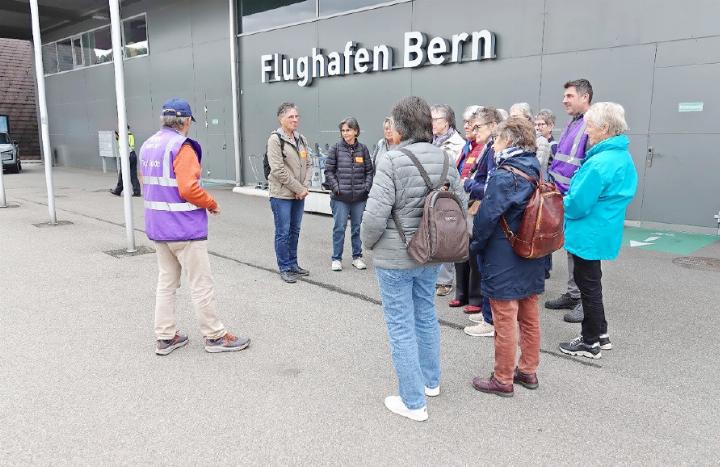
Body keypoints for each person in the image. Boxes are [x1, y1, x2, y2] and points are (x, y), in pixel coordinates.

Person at [361, 96, 466, 422]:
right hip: (432, 254)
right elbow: (460, 206)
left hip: (396, 257)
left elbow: (375, 214)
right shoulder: (447, 160)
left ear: (401, 127)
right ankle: (430, 381)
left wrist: (367, 244)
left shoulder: (392, 160)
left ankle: (412, 401)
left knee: (400, 325)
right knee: (425, 316)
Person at [140, 98, 250, 355]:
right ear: (186, 121)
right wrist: (210, 203)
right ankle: (214, 336)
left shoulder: (148, 145)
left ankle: (165, 337)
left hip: (158, 226)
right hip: (184, 228)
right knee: (201, 283)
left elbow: (145, 182)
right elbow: (189, 188)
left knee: (167, 282)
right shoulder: (182, 146)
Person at [470, 117, 545, 397]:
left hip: (504, 252)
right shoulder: (535, 167)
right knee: (528, 313)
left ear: (509, 141)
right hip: (531, 249)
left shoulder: (504, 174)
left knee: (504, 315)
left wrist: (475, 245)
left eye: (497, 139)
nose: (494, 144)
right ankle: (528, 370)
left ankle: (502, 378)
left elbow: (487, 217)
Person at [559, 102, 638, 359]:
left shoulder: (599, 162)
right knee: (592, 282)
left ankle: (590, 341)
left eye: (590, 126)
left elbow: (578, 203)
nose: (586, 131)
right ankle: (600, 333)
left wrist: (561, 203)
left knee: (588, 285)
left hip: (588, 230)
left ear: (605, 128)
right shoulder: (621, 156)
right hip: (604, 228)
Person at [545, 79, 593, 323]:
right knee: (572, 249)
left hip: (577, 200)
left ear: (585, 97)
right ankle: (574, 294)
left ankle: (586, 301)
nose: (564, 100)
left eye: (570, 96)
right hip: (564, 197)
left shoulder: (591, 125)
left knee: (582, 253)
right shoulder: (573, 123)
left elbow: (588, 168)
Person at [460, 107, 502, 337]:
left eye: (478, 127)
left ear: (493, 125)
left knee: (488, 267)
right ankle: (487, 313)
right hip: (480, 212)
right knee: (483, 264)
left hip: (487, 215)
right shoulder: (487, 147)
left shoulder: (496, 150)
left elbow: (491, 188)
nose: (474, 131)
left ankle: (490, 319)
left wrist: (468, 185)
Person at [267, 102, 312, 284]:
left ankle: (293, 264)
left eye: (296, 116)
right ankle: (284, 267)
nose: (295, 120)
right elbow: (278, 170)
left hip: (298, 195)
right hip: (282, 196)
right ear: (281, 119)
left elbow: (309, 164)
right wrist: (299, 189)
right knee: (283, 232)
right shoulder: (275, 140)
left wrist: (305, 187)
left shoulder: (301, 139)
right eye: (290, 117)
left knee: (295, 231)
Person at [324, 117, 374, 271]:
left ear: (356, 131)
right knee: (339, 228)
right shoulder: (335, 149)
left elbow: (369, 171)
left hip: (359, 197)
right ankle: (336, 258)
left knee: (357, 228)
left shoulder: (363, 149)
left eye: (348, 130)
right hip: (340, 197)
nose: (345, 133)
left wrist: (366, 187)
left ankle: (357, 257)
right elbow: (329, 171)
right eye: (343, 130)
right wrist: (336, 188)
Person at [449, 105, 483, 314]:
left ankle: (475, 297)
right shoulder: (467, 146)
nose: (467, 126)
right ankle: (460, 293)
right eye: (465, 122)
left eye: (471, 122)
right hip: (460, 202)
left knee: (473, 252)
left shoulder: (483, 147)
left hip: (475, 205)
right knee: (460, 250)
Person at [430, 104, 466, 296]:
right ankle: (433, 276)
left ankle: (444, 281)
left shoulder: (458, 144)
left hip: (447, 196)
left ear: (447, 122)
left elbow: (457, 175)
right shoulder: (431, 141)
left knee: (446, 236)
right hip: (431, 195)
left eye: (436, 119)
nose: (432, 123)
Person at [535, 109, 558, 279]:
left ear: (551, 126)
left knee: (546, 227)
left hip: (548, 189)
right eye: (536, 124)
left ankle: (545, 266)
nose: (538, 127)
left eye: (541, 124)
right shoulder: (537, 142)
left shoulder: (553, 146)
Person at [510, 102, 551, 178]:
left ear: (528, 118)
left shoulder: (541, 142)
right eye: (510, 118)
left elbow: (535, 170)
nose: (511, 122)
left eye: (515, 117)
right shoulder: (513, 141)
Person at [110, 125, 141, 197]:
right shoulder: (130, 134)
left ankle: (118, 191)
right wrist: (118, 138)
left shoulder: (124, 135)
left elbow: (124, 145)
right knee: (133, 174)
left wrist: (119, 137)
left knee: (122, 174)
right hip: (133, 155)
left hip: (127, 156)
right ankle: (137, 191)